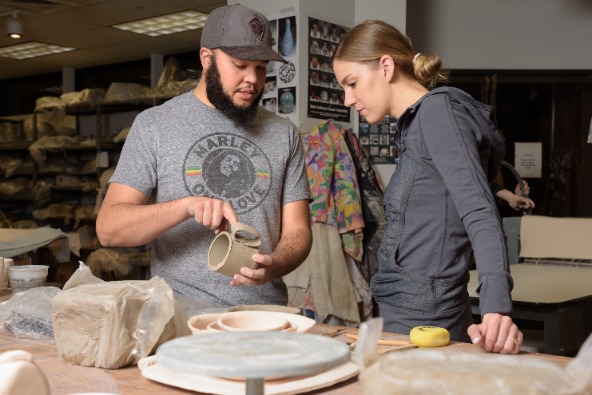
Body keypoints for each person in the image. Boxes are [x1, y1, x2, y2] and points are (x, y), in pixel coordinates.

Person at [96, 4, 312, 308]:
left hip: (263, 314)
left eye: (261, 67)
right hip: (178, 316)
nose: (253, 79)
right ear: (206, 59)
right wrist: (186, 206)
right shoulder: (155, 124)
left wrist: (273, 264)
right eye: (240, 65)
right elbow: (109, 229)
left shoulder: (284, 133)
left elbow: (299, 231)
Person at [332, 20, 522, 354]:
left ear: (386, 66)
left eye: (352, 83)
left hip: (425, 317)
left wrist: (496, 306)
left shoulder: (437, 112)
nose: (348, 99)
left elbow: (479, 211)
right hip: (406, 310)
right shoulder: (416, 125)